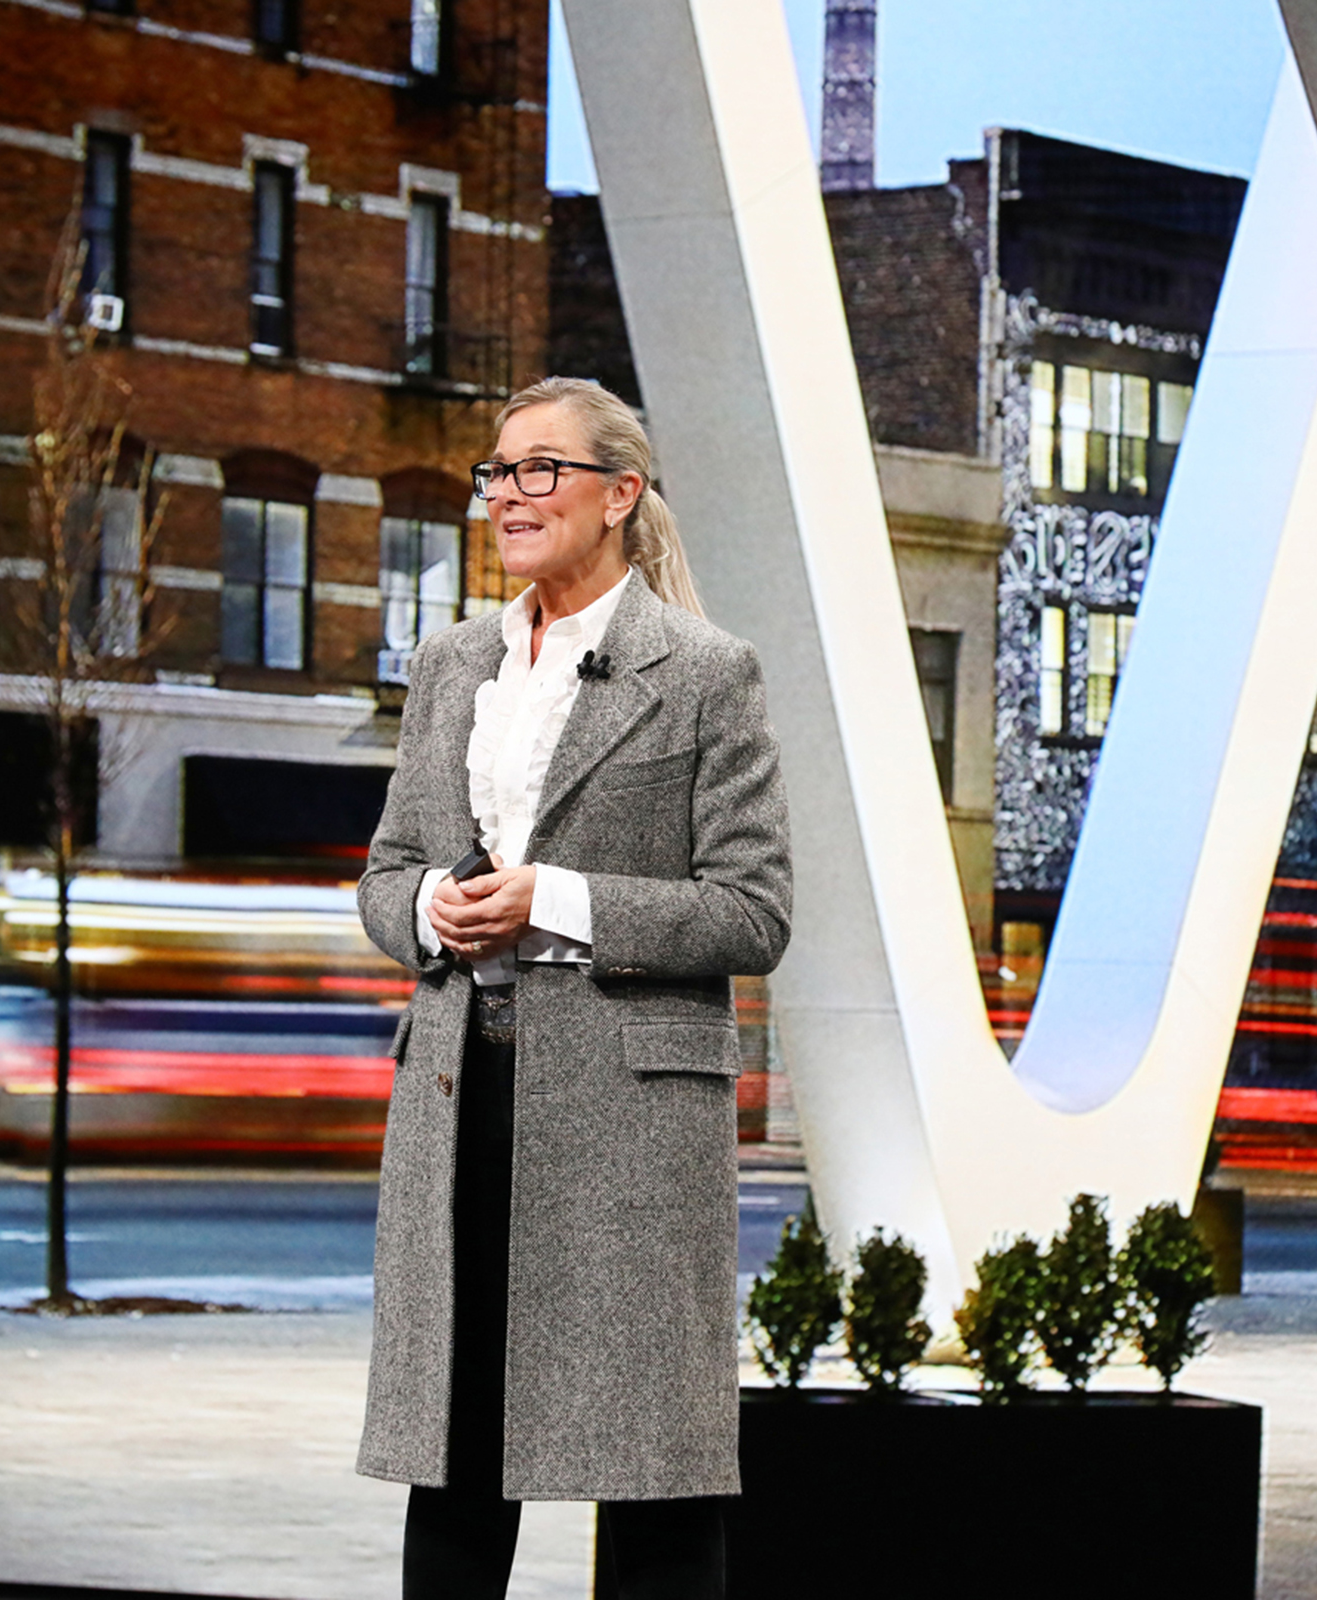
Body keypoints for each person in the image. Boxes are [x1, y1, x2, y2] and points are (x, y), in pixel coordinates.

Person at [355, 376, 793, 1599]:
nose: (509, 493)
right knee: (452, 1450)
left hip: (628, 1125)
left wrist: (552, 896)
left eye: (541, 468)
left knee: (649, 1469)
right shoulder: (452, 664)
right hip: (455, 1098)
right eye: (498, 471)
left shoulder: (707, 672)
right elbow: (386, 870)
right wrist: (428, 911)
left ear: (620, 493)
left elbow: (755, 912)